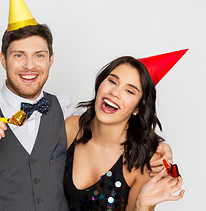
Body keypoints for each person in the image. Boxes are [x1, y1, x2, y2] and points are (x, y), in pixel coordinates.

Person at [0, 0, 174, 211]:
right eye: (19, 55)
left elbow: (110, 128)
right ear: (3, 59)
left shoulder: (64, 110)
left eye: (39, 55)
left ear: (50, 60)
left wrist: (159, 148)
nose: (30, 66)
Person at [63, 55, 186, 211]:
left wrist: (142, 206)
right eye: (112, 81)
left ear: (138, 108)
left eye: (129, 91)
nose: (115, 92)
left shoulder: (144, 162)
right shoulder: (72, 127)